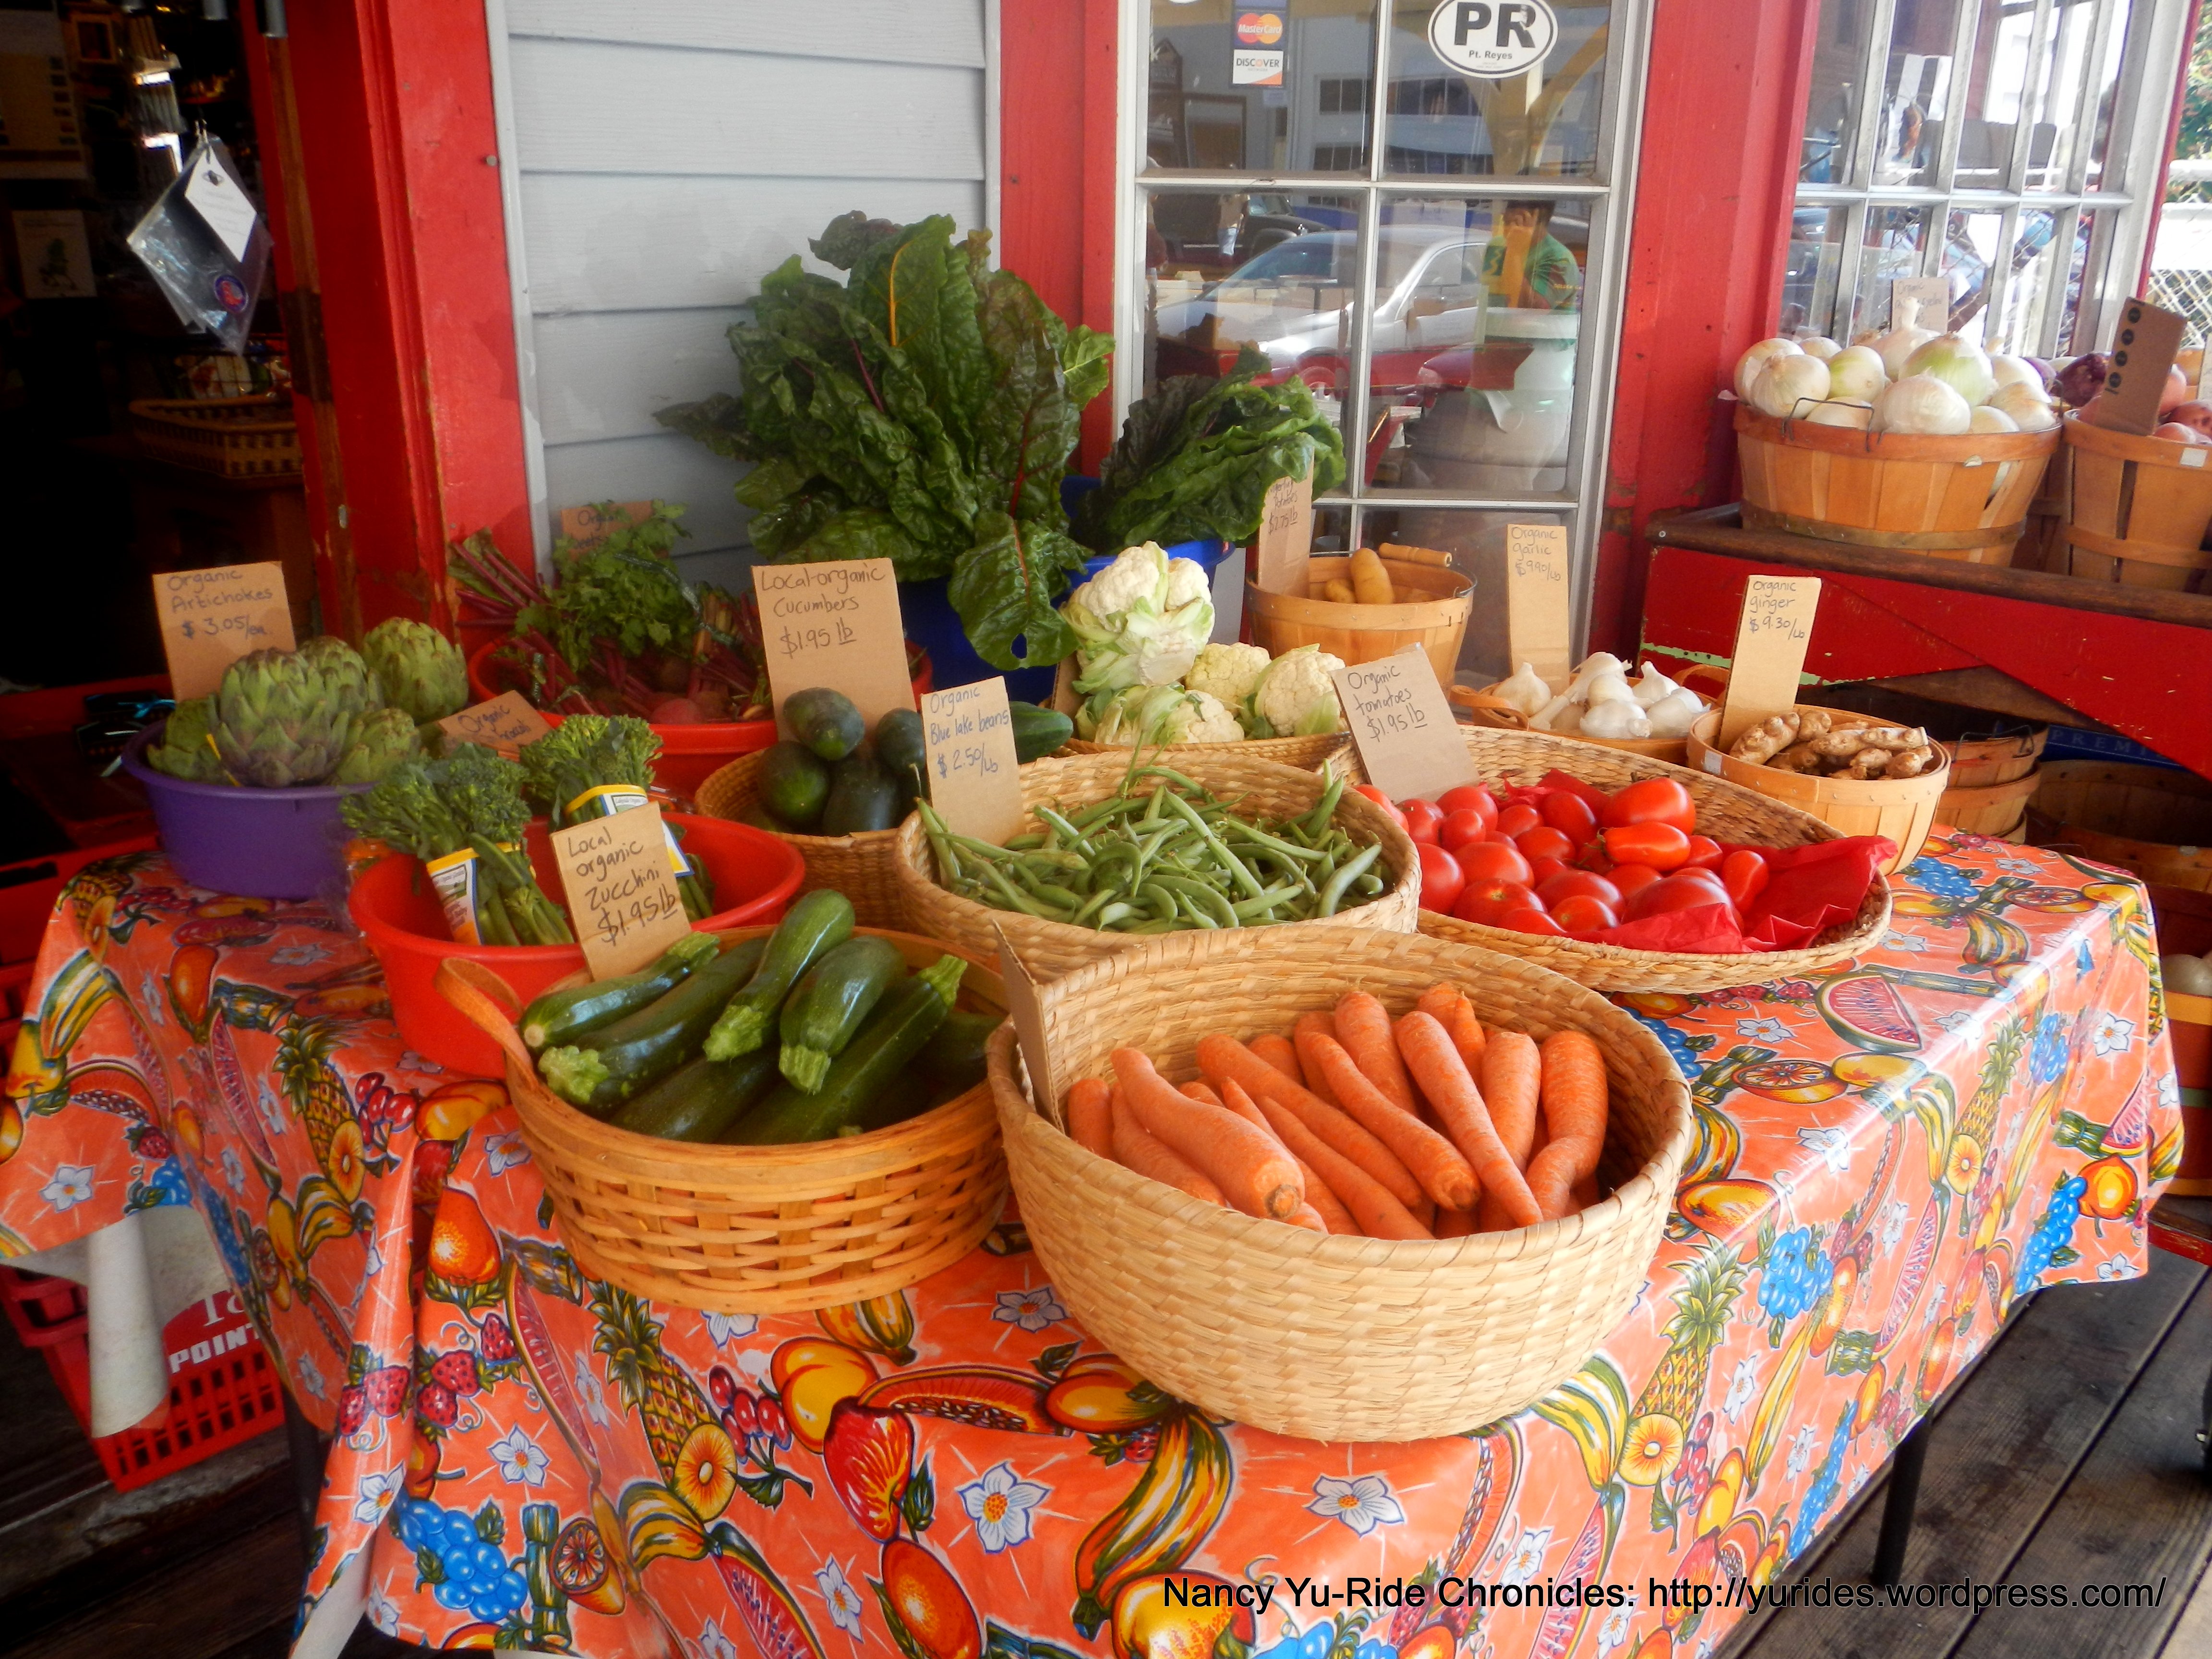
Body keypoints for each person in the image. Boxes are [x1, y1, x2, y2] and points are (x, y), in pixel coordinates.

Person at [1482, 202, 1580, 311]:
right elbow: (1483, 294)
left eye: (1513, 208)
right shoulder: (1496, 245)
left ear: (1534, 216)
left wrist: (1514, 252)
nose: (1505, 216)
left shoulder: (1560, 259)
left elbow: (1532, 309)